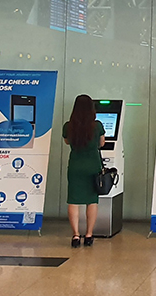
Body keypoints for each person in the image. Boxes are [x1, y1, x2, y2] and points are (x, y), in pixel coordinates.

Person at [63, 94, 105, 248]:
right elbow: (101, 143)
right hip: (92, 166)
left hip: (75, 166)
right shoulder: (97, 125)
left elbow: (68, 141)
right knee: (91, 201)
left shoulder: (68, 126)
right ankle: (88, 235)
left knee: (73, 201)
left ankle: (75, 235)